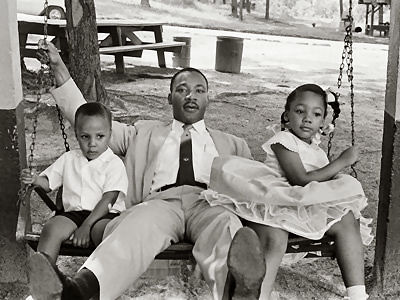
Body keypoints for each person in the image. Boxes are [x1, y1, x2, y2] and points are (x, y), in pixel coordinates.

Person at [29, 41, 267, 300]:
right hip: (159, 204)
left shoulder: (234, 144)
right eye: (182, 89)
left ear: (208, 98)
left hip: (210, 203)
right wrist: (59, 67)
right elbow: (87, 119)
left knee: (227, 226)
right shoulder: (142, 132)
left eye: (199, 90)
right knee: (136, 225)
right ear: (169, 98)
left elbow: (256, 188)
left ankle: (236, 291)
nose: (191, 95)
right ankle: (81, 291)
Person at [202, 84, 373, 300]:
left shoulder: (317, 150)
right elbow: (300, 180)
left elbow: (318, 184)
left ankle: (357, 294)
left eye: (316, 114)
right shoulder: (283, 141)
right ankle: (258, 295)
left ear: (323, 122)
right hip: (276, 201)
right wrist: (342, 162)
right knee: (275, 238)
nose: (307, 118)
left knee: (347, 218)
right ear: (286, 115)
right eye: (300, 111)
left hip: (302, 205)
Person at [21, 102, 128, 265]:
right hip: (73, 214)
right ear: (77, 135)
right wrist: (35, 179)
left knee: (105, 233)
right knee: (52, 228)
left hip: (105, 215)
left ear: (110, 134)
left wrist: (87, 226)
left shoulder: (114, 164)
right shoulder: (69, 159)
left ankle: (101, 278)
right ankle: (45, 277)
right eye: (85, 137)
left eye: (100, 136)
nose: (92, 143)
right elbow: (48, 183)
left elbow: (109, 200)